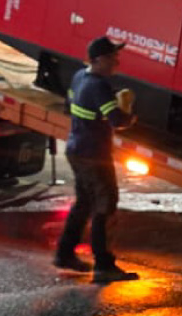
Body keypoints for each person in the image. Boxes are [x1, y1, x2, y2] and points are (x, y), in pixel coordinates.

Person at [54, 36, 140, 284]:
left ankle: (64, 254)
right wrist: (129, 114)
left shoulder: (80, 76)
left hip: (76, 149)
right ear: (100, 59)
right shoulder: (99, 86)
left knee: (84, 203)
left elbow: (71, 105)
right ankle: (104, 265)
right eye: (113, 57)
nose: (117, 62)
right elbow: (117, 121)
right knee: (105, 205)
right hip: (94, 155)